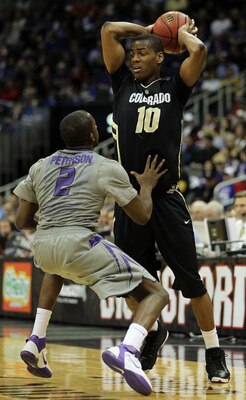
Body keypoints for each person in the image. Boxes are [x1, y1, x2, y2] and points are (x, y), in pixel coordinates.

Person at [100, 16, 230, 382]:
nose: (134, 58)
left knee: (192, 281)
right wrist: (148, 30)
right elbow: (109, 29)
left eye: (142, 53)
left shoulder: (176, 86)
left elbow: (200, 51)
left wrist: (180, 36)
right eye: (132, 54)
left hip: (166, 198)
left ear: (160, 57)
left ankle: (214, 351)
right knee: (131, 282)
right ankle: (154, 332)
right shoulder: (121, 83)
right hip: (129, 199)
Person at [14, 110, 170, 396]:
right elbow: (141, 216)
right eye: (96, 126)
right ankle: (128, 350)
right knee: (157, 293)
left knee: (55, 269)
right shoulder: (105, 165)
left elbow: (22, 222)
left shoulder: (39, 166)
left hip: (42, 245)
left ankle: (36, 339)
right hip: (78, 242)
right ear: (92, 136)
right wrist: (146, 187)